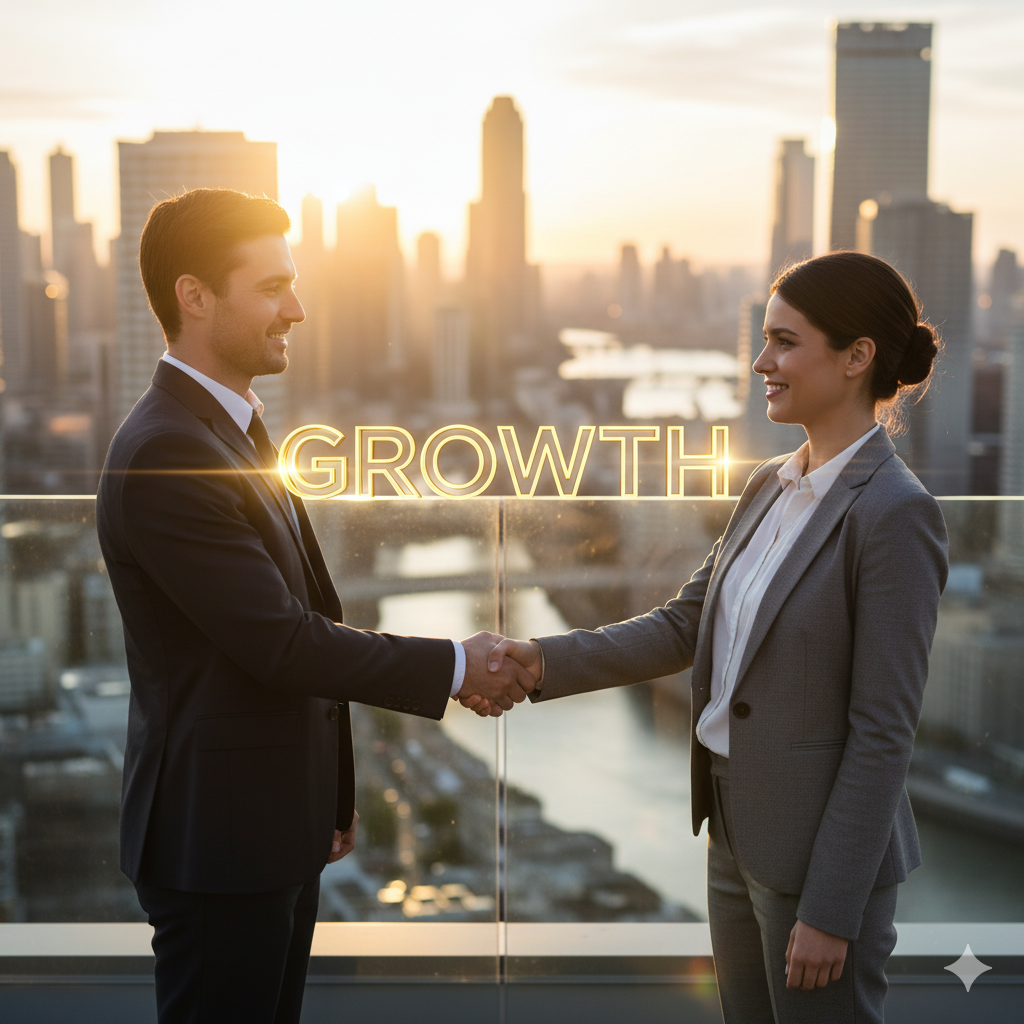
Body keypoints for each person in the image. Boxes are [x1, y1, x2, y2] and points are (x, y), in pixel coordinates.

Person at [477, 251, 948, 1023]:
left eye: (785, 342)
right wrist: (539, 662)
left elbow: (883, 732)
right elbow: (687, 622)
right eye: (764, 339)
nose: (761, 361)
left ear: (858, 356)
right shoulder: (770, 482)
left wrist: (831, 910)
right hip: (733, 833)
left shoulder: (895, 514)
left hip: (817, 858)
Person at [97, 187, 529, 1024]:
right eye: (269, 288)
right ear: (194, 296)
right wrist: (455, 663)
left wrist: (327, 798)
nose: (296, 309)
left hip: (265, 826)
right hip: (219, 843)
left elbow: (295, 624)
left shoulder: (232, 433)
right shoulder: (166, 454)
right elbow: (285, 644)